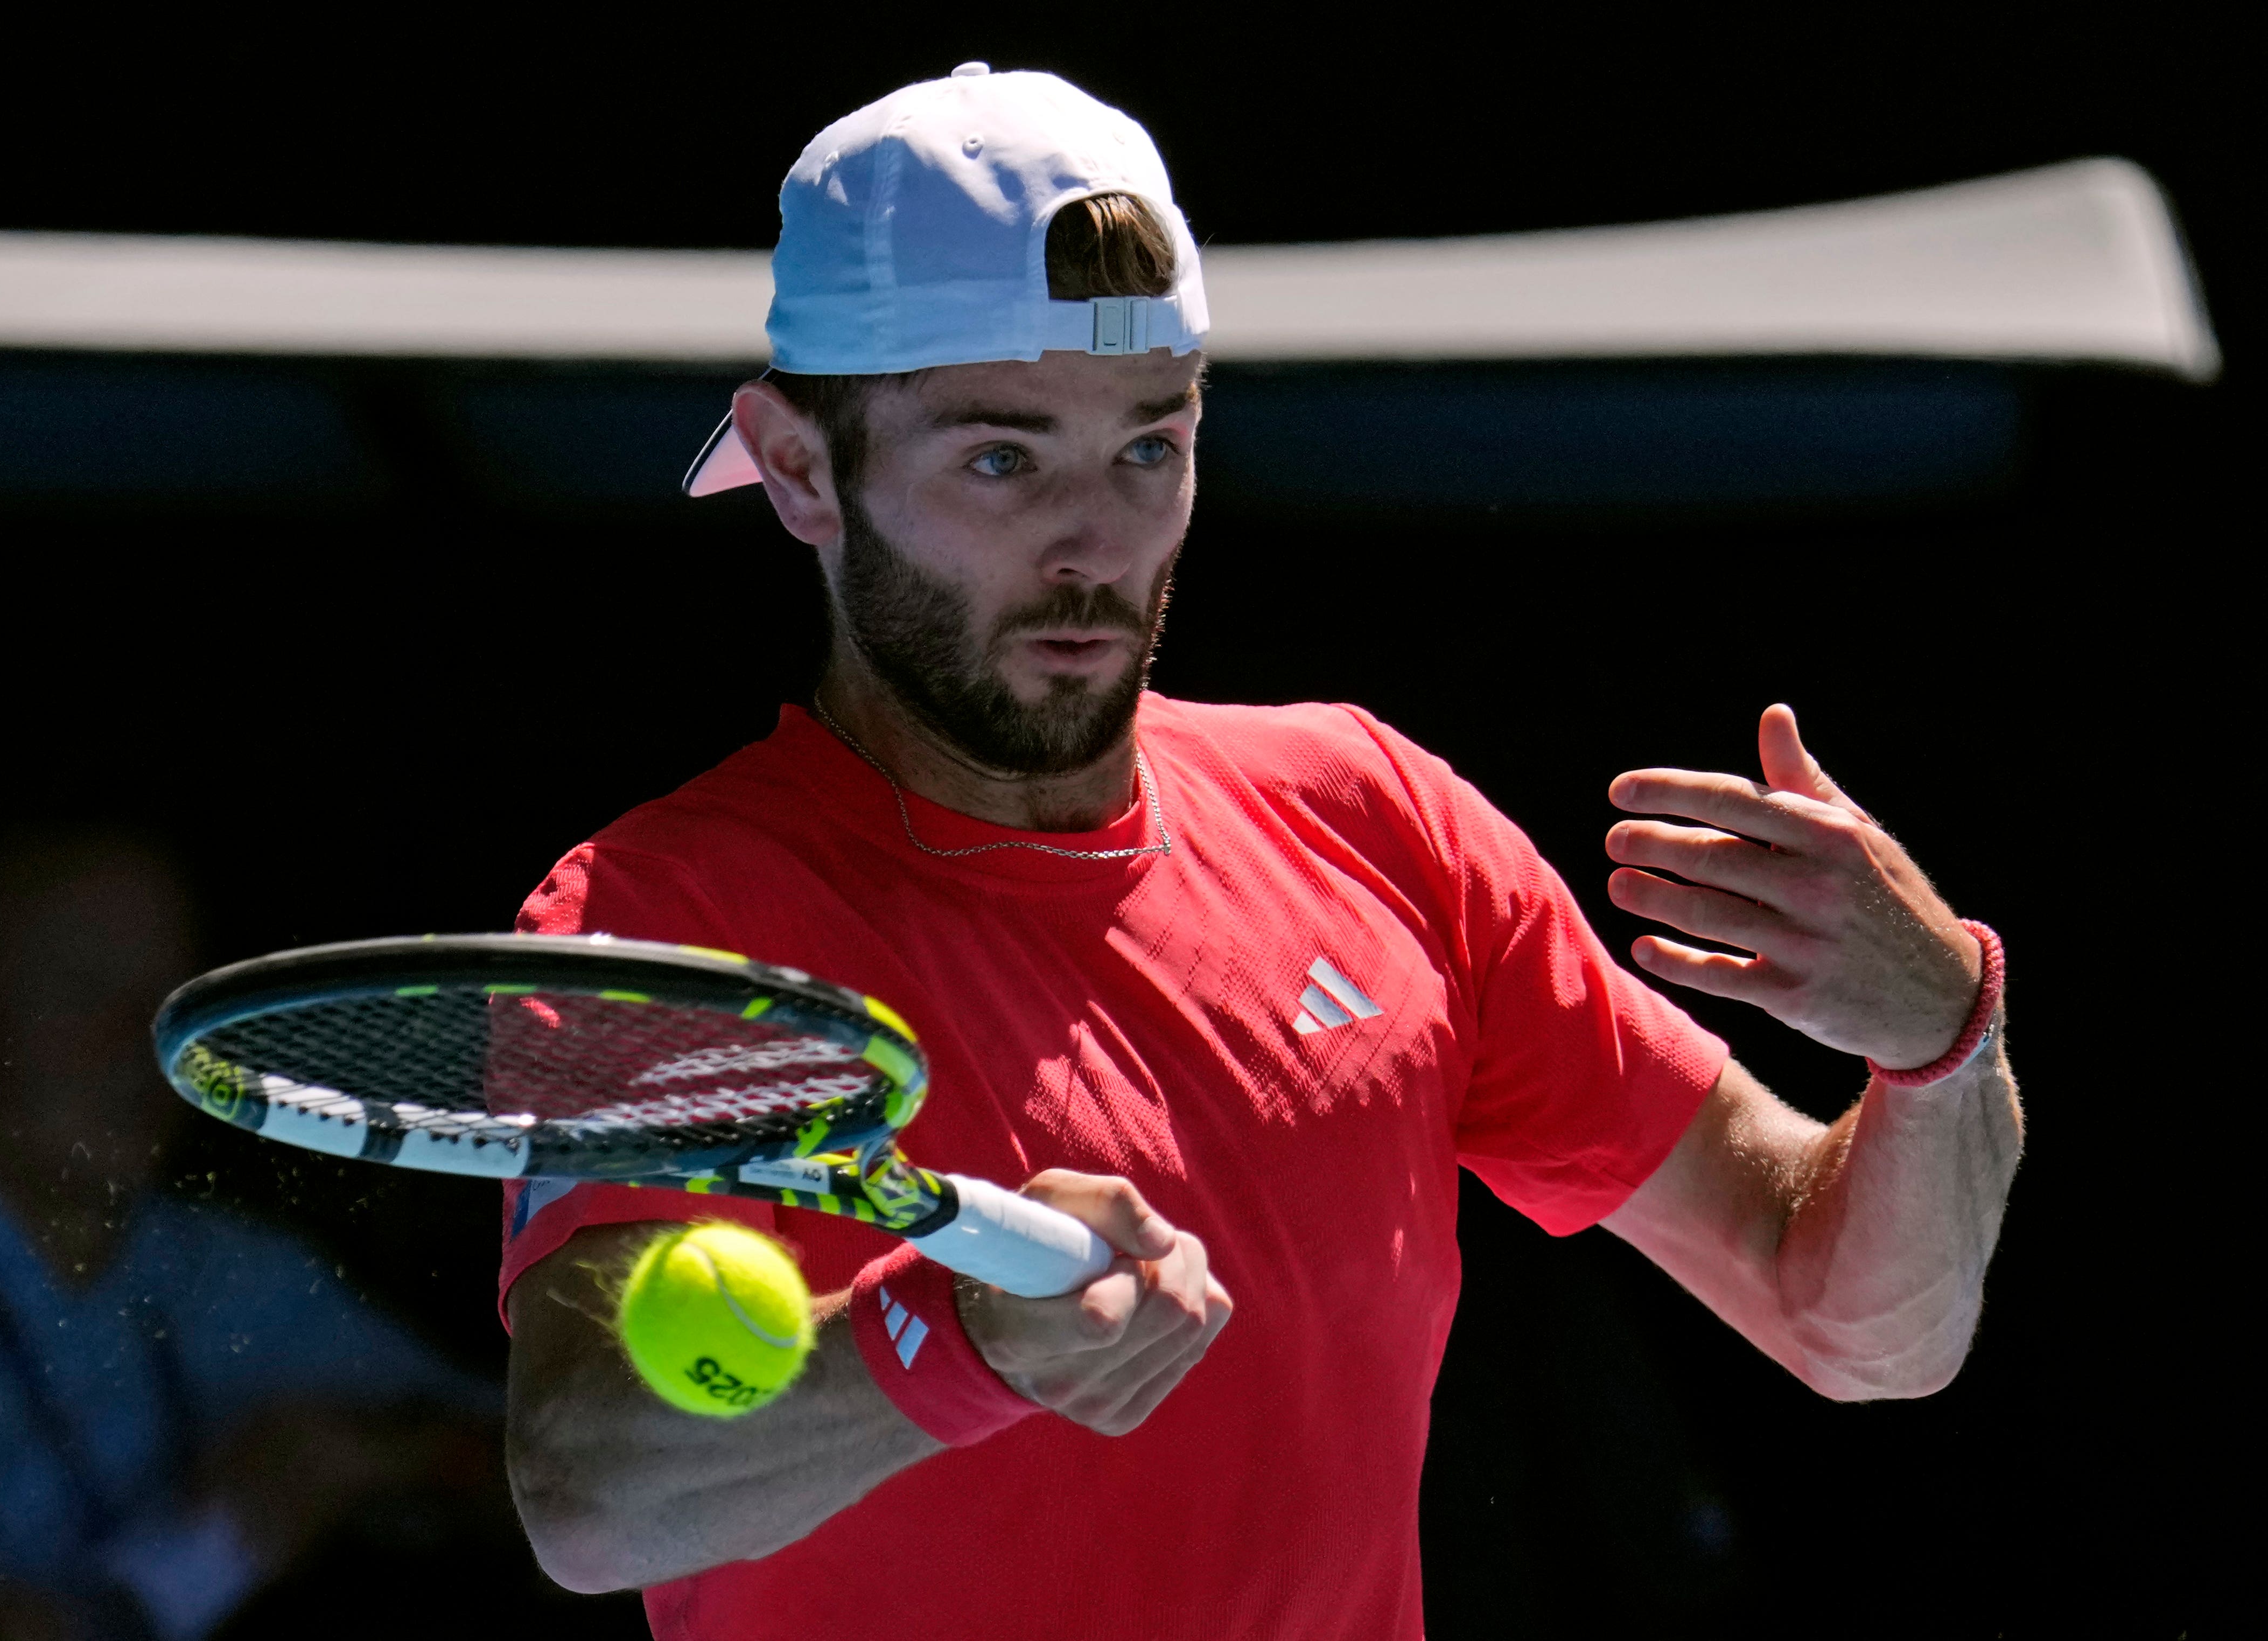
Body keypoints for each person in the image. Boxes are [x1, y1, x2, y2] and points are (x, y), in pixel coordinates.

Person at [499, 66, 2021, 1640]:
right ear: (801, 468)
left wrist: (1939, 1044)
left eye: (1147, 449)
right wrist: (952, 1347)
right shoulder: (657, 918)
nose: (1095, 541)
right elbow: (586, 1491)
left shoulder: (1376, 817)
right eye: (1002, 462)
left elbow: (1858, 1330)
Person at [0, 827, 499, 1640]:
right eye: (83, 991)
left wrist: (380, 1456)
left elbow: (528, 1464)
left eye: (173, 1002)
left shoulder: (219, 1266)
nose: (140, 1047)